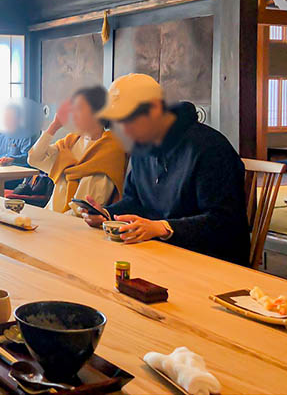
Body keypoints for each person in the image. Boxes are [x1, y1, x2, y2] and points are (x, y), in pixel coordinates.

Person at [79, 73, 250, 265]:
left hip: (210, 264)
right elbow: (135, 201)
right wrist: (107, 215)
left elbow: (225, 223)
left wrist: (163, 228)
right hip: (157, 254)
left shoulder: (210, 148)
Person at [28, 86, 126, 215]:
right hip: (51, 216)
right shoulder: (70, 142)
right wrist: (54, 126)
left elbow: (91, 203)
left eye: (79, 108)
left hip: (76, 224)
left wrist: (57, 221)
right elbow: (34, 158)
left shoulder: (110, 149)